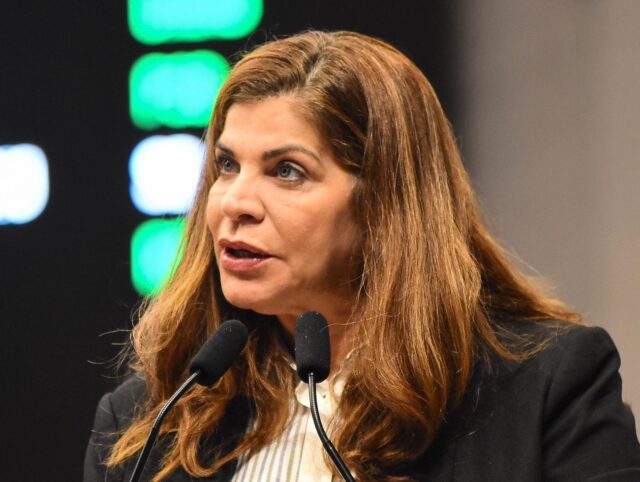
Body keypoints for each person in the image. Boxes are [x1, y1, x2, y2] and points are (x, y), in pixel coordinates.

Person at [84, 30, 640, 482]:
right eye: (227, 165)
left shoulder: (545, 389)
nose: (233, 202)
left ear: (384, 204)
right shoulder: (147, 422)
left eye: (287, 171)